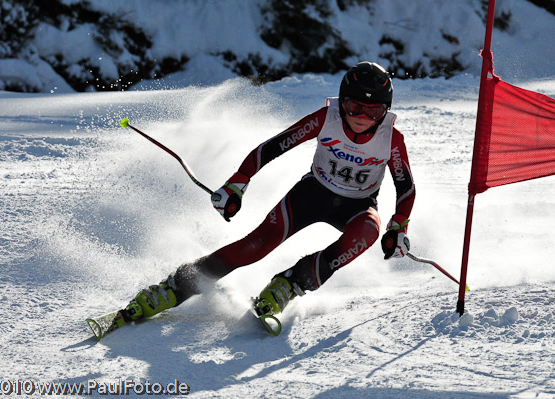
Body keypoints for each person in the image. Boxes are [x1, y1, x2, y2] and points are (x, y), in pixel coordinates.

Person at [121, 61, 415, 322]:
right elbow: (272, 147)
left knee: (368, 231)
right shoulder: (327, 118)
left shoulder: (391, 138)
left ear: (385, 111)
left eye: (373, 110)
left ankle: (290, 284)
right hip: (313, 195)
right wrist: (238, 182)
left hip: (359, 205)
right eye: (354, 107)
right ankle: (175, 287)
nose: (362, 117)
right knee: (255, 246)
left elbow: (406, 187)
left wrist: (399, 225)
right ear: (342, 104)